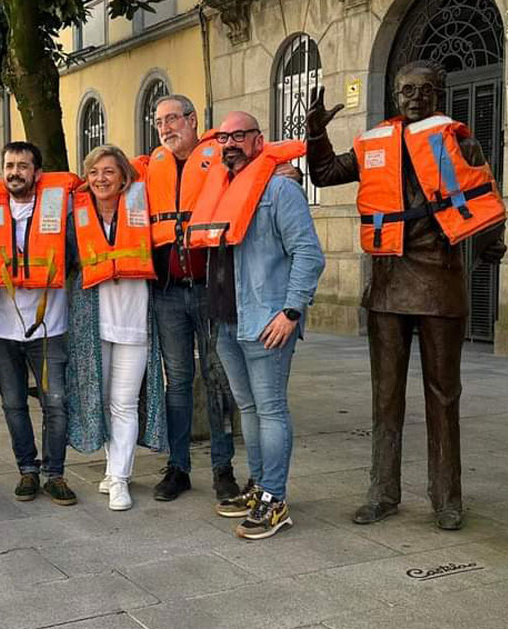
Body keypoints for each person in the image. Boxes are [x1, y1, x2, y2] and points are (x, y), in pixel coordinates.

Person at [306, 59, 508, 530]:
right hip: (388, 284)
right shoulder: (375, 143)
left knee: (443, 395)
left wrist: (492, 242)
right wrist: (316, 135)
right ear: (395, 96)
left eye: (424, 90)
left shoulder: (459, 141)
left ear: (439, 93)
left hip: (439, 282)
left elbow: (487, 200)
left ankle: (447, 497)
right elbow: (326, 174)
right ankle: (383, 491)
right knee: (385, 396)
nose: (414, 98)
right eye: (405, 91)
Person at [187, 111, 324, 540]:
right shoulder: (220, 189)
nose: (230, 143)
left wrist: (291, 312)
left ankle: (276, 500)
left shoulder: (280, 190)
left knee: (270, 410)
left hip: (267, 321)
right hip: (226, 322)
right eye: (223, 136)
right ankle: (260, 486)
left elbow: (309, 254)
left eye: (239, 136)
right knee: (246, 409)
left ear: (258, 140)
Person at [140, 95, 240, 502]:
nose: (165, 128)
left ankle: (223, 468)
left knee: (218, 380)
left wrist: (285, 170)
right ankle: (178, 467)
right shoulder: (150, 168)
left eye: (171, 119)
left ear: (192, 120)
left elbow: (258, 165)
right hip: (167, 294)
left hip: (209, 290)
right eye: (159, 121)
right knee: (177, 382)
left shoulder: (221, 157)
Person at [65, 144, 166, 511]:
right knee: (103, 400)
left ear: (124, 176)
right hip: (93, 323)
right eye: (93, 172)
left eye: (108, 171)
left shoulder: (145, 206)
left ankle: (120, 478)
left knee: (124, 403)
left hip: (136, 321)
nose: (100, 179)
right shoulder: (75, 217)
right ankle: (113, 469)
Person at [0, 141, 81, 506]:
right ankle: (27, 469)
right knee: (12, 404)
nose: (15, 172)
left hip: (49, 327)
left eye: (23, 166)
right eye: (10, 165)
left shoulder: (64, 205)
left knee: (56, 403)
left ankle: (55, 474)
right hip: (1, 329)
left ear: (37, 173)